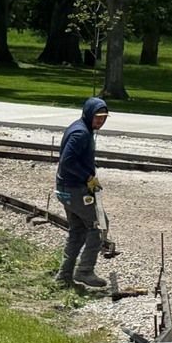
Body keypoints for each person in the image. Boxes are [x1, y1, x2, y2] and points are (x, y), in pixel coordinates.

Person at [54, 96, 110, 291]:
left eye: (104, 118)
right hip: (75, 189)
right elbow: (67, 161)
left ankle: (64, 276)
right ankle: (85, 270)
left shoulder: (80, 128)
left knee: (77, 231)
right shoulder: (80, 133)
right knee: (99, 224)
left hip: (66, 188)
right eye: (97, 117)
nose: (100, 121)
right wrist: (88, 177)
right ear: (88, 114)